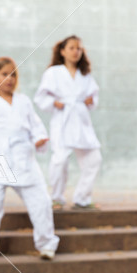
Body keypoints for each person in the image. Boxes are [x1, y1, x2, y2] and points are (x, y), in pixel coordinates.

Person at [0, 57, 59, 262]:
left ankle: (47, 244)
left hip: (24, 159)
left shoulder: (24, 101)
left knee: (42, 202)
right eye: (4, 74)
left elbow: (36, 127)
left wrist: (39, 139)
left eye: (13, 74)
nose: (9, 79)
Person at [34, 35, 101, 211]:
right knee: (60, 160)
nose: (75, 51)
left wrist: (90, 101)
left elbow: (94, 97)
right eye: (71, 48)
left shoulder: (85, 75)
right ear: (62, 51)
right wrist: (53, 103)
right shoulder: (53, 73)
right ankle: (56, 197)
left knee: (94, 159)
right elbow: (40, 97)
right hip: (63, 119)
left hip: (81, 120)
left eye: (78, 48)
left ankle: (82, 198)